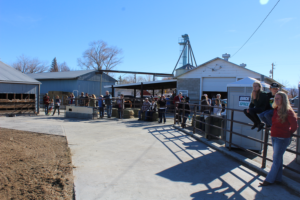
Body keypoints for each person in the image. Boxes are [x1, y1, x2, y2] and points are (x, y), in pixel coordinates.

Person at [259, 92, 298, 186]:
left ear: (283, 99)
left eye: (278, 98)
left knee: (276, 159)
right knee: (278, 158)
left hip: (282, 138)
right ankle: (278, 179)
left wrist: (288, 133)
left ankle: (269, 180)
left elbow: (294, 126)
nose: (276, 100)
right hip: (274, 136)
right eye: (275, 98)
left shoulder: (288, 111)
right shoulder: (276, 109)